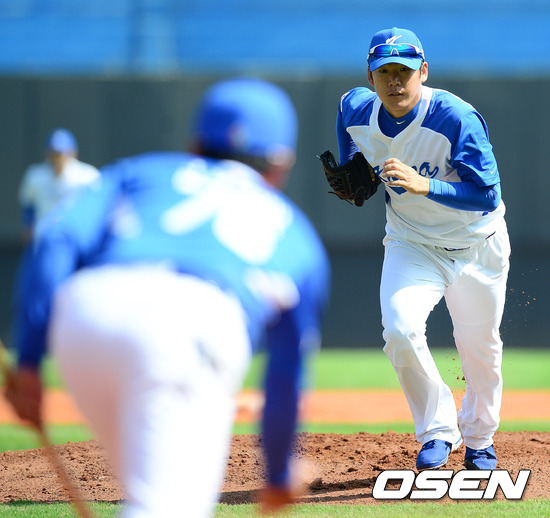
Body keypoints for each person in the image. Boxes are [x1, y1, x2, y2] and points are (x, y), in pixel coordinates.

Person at [6, 78, 331, 517]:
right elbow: (285, 374)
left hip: (87, 314)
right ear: (282, 165)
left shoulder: (141, 171)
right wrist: (276, 476)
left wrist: (28, 359)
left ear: (194, 144)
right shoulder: (296, 232)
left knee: (149, 494)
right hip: (188, 326)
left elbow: (55, 239)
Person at [333, 27, 510, 471]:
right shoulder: (357, 108)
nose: (395, 81)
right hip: (411, 242)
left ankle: (480, 439)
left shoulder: (455, 117)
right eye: (385, 72)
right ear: (371, 77)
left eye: (405, 71)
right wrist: (352, 166)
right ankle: (437, 429)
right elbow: (347, 121)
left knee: (479, 347)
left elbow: (487, 194)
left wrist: (424, 184)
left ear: (423, 71)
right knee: (399, 329)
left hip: (478, 245)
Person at [18, 127, 100, 243]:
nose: (58, 158)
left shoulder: (87, 176)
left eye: (62, 154)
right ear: (47, 154)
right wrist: (28, 227)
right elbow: (28, 203)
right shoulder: (36, 175)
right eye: (54, 154)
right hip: (44, 235)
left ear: (73, 153)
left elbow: (97, 207)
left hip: (75, 236)